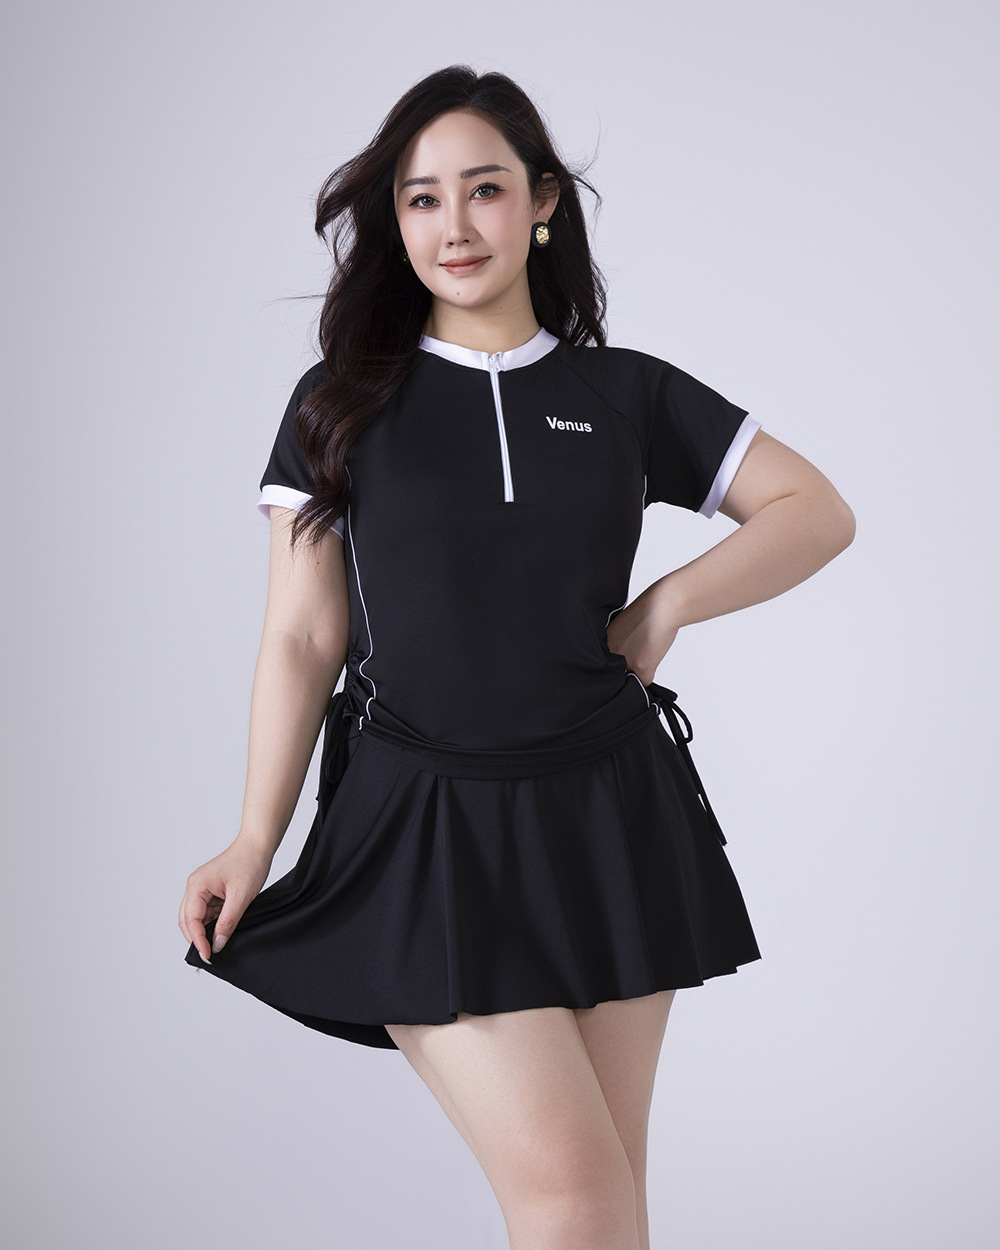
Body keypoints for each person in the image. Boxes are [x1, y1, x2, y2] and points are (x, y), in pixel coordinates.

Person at [178, 65, 855, 1250]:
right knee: (572, 1197)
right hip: (423, 824)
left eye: (484, 189)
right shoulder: (339, 405)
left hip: (609, 814)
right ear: (395, 222)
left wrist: (668, 604)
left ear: (541, 202)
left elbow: (816, 510)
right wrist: (253, 835)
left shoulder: (625, 391)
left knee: (608, 1201)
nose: (454, 224)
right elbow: (302, 635)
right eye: (422, 198)